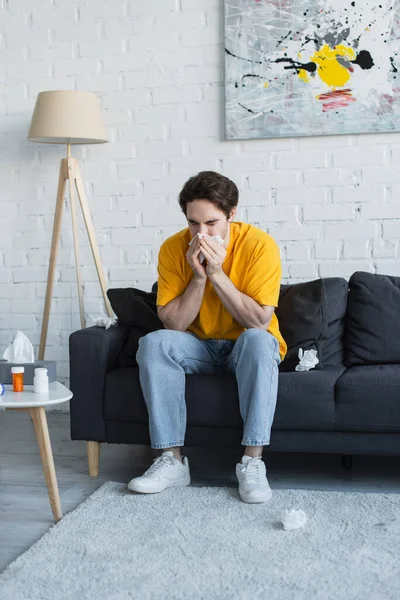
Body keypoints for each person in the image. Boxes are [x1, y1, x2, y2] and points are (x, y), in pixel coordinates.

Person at [128, 171, 287, 503]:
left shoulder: (259, 246)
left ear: (232, 214)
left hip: (246, 344)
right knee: (154, 343)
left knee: (259, 341)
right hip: (197, 346)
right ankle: (171, 461)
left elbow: (258, 321)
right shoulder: (173, 249)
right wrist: (198, 278)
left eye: (212, 223)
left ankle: (252, 463)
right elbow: (173, 325)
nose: (201, 234)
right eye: (193, 224)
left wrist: (216, 272)